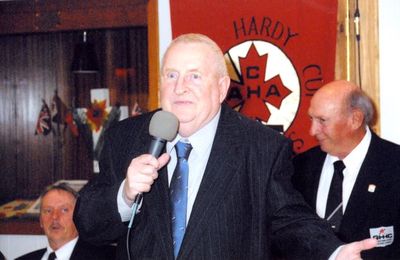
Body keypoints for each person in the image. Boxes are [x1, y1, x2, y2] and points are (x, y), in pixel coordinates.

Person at [73, 33, 376, 259]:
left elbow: (290, 220)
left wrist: (334, 252)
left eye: (194, 76)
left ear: (220, 88)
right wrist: (125, 194)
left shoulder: (260, 147)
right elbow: (87, 222)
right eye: (172, 75)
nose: (180, 88)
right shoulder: (127, 136)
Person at [292, 80, 400, 259]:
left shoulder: (394, 166)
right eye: (312, 119)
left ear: (355, 119)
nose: (312, 131)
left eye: (322, 121)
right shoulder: (299, 167)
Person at [15, 183, 115, 260]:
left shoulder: (108, 256)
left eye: (64, 210)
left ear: (78, 217)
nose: (54, 216)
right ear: (41, 220)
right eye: (48, 210)